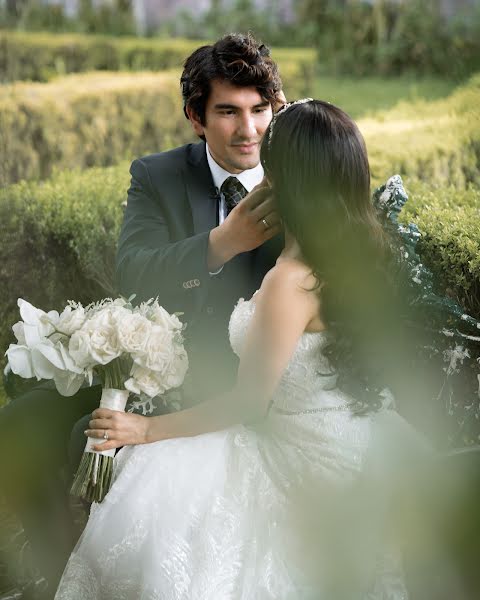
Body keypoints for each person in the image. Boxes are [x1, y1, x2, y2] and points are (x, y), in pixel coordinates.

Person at [56, 100, 429, 599]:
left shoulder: (289, 281)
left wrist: (146, 429)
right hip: (347, 430)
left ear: (279, 178)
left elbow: (249, 402)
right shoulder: (352, 249)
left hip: (299, 455)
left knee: (159, 481)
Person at [0, 32, 285, 595]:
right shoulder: (158, 175)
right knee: (17, 425)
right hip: (147, 362)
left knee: (91, 436)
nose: (248, 130)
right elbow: (134, 272)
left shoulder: (292, 176)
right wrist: (222, 242)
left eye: (259, 111)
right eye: (228, 112)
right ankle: (56, 571)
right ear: (195, 117)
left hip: (229, 383)